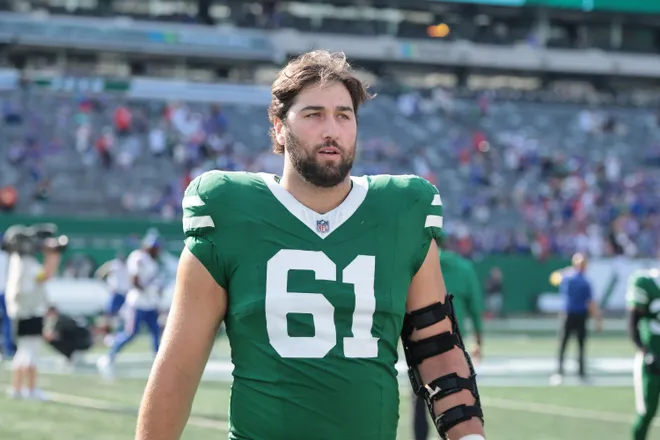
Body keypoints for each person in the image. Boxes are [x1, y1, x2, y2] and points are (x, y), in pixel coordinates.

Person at [136, 50, 485, 440]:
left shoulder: (401, 212)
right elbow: (178, 366)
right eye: (314, 114)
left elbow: (436, 349)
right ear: (280, 126)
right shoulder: (230, 212)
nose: (331, 129)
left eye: (344, 115)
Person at [414, 235, 484, 440]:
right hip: (454, 345)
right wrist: (479, 341)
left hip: (420, 345)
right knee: (458, 403)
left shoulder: (414, 264)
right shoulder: (464, 268)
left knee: (420, 402)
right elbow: (476, 309)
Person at [4, 225, 63, 399]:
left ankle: (17, 388)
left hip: (20, 312)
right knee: (31, 352)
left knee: (22, 352)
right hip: (31, 312)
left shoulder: (15, 260)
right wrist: (53, 255)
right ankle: (30, 389)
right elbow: (45, 275)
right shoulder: (26, 264)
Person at [97, 234, 164, 377]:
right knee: (131, 333)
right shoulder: (139, 257)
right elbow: (134, 280)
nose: (157, 251)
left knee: (156, 333)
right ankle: (109, 356)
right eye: (155, 248)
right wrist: (148, 289)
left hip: (150, 304)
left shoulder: (153, 263)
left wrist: (155, 293)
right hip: (138, 303)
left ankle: (160, 363)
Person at [550, 253, 603, 386]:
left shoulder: (568, 277)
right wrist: (598, 319)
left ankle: (560, 372)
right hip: (579, 315)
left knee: (564, 344)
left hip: (568, 314)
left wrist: (565, 272)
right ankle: (580, 374)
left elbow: (553, 278)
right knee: (579, 345)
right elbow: (591, 303)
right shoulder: (584, 281)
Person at [627, 263, 660, 440]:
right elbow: (632, 323)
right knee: (647, 412)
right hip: (653, 358)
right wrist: (644, 350)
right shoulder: (645, 281)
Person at [94, 251, 130, 341]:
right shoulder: (114, 265)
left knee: (123, 316)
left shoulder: (128, 265)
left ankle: (119, 334)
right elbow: (100, 274)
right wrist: (108, 284)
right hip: (116, 293)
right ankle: (107, 335)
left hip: (126, 294)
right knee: (109, 316)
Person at [0, 234, 16, 359]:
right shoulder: (8, 257)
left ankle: (8, 349)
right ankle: (8, 349)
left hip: (5, 292)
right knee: (8, 322)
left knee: (8, 322)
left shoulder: (8, 257)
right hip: (5, 292)